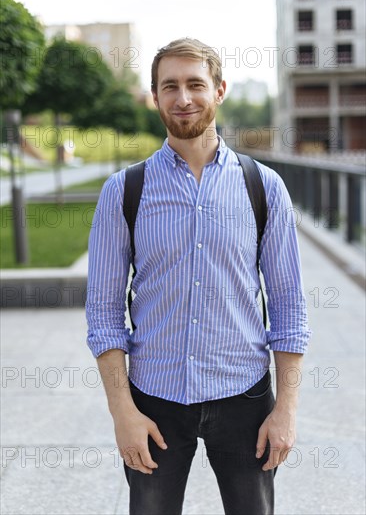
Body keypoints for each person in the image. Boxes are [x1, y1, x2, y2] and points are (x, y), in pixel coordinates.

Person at [86, 38, 311, 515]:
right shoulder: (123, 192)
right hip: (154, 401)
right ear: (155, 96)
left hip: (246, 398)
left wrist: (286, 410)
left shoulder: (263, 187)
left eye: (195, 84)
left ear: (220, 89)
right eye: (170, 86)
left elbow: (289, 304)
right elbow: (103, 313)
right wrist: (122, 412)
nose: (183, 98)